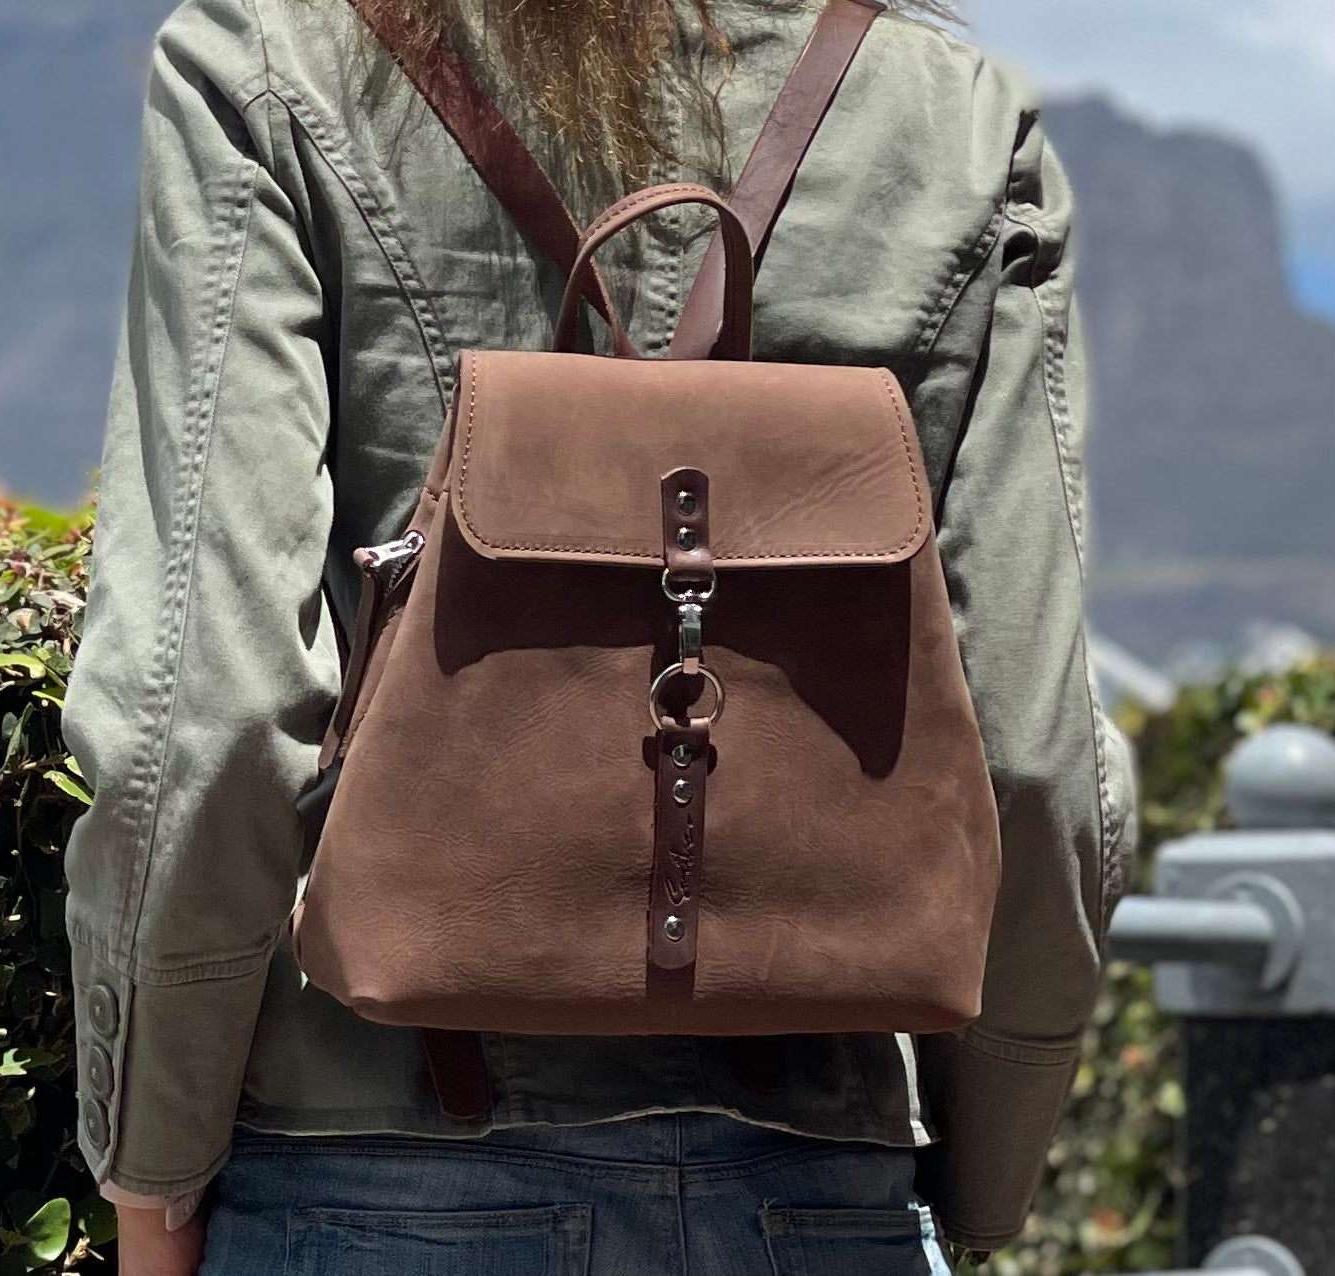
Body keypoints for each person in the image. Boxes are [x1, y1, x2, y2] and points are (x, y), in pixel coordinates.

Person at [62, 0, 1138, 1271]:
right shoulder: (950, 113)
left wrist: (152, 1180)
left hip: (376, 1170)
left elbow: (208, 710)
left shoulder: (278, 59)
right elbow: (1030, 753)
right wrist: (976, 1178)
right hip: (819, 1178)